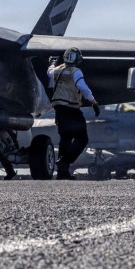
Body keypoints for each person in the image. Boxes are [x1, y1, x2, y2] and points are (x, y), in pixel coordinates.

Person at [48, 47, 99, 180]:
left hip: (58, 109)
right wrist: (93, 102)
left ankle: (62, 173)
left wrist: (52, 63)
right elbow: (83, 87)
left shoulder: (57, 71)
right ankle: (64, 162)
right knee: (82, 139)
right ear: (77, 59)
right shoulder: (75, 72)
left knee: (65, 139)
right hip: (72, 109)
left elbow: (49, 71)